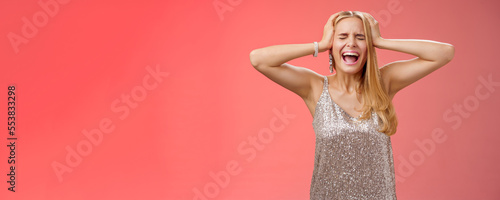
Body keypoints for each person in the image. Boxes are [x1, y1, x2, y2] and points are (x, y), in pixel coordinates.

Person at [248, 11, 454, 199]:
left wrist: (381, 41)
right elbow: (258, 59)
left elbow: (444, 53)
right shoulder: (315, 87)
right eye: (343, 37)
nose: (351, 43)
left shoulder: (384, 83)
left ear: (369, 47)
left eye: (360, 37)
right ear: (332, 46)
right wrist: (319, 45)